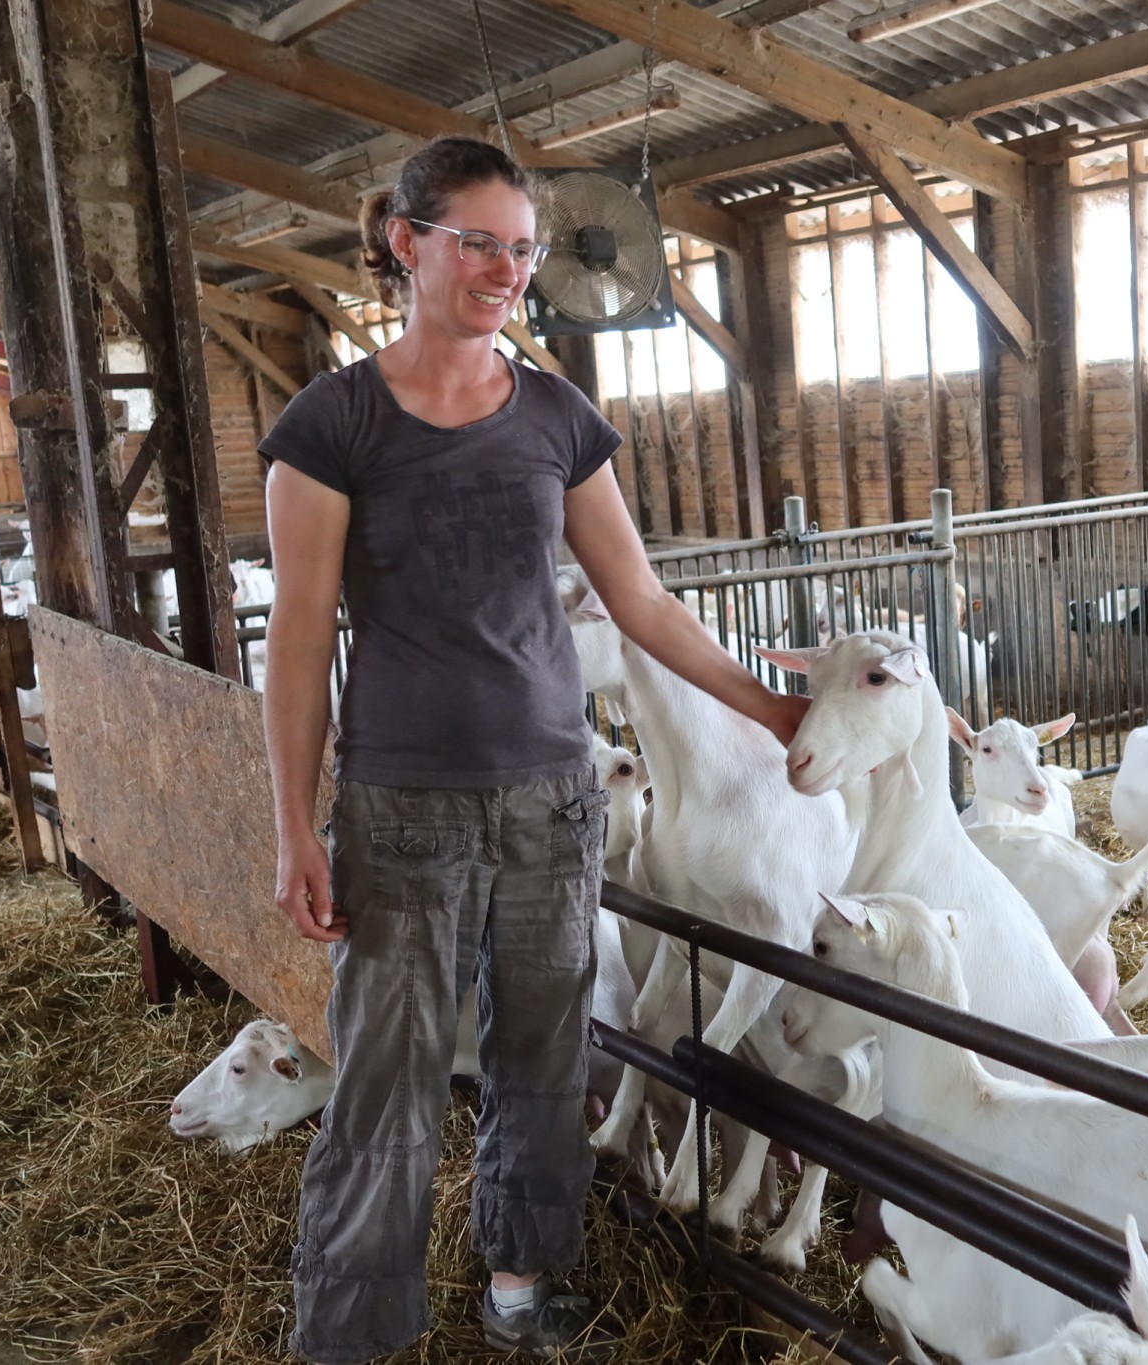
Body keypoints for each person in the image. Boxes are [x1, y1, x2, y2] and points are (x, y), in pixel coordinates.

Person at [259, 136, 807, 1362]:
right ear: (408, 243)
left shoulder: (556, 416)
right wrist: (296, 824)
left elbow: (644, 604)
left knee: (543, 1056)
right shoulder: (330, 424)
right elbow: (297, 640)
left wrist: (762, 709)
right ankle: (351, 1330)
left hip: (553, 804)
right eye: (478, 244)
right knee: (387, 1076)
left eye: (521, 250)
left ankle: (518, 1287)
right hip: (399, 808)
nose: (504, 271)